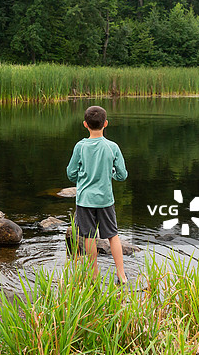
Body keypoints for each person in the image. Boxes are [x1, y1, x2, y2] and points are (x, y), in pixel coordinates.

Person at [66, 105, 128, 283]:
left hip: (85, 199)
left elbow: (71, 173)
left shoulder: (80, 146)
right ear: (105, 123)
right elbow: (122, 175)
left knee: (89, 236)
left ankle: (94, 274)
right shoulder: (112, 147)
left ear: (85, 124)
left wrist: (81, 178)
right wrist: (112, 174)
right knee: (112, 235)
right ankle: (121, 274)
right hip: (105, 199)